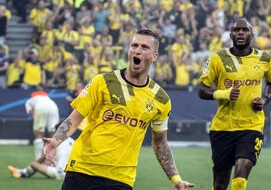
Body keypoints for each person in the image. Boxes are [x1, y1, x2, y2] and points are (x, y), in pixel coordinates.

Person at [42, 29, 194, 190]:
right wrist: (55, 142)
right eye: (134, 45)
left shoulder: (161, 99)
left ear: (154, 56)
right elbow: (75, 118)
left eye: (144, 47)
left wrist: (176, 178)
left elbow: (160, 143)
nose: (137, 50)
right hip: (82, 169)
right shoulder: (103, 81)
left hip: (121, 178)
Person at [198, 18, 271, 190]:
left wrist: (265, 99)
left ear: (252, 34)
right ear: (231, 34)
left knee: (241, 174)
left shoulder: (264, 58)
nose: (240, 33)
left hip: (252, 126)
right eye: (236, 30)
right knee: (220, 183)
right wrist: (224, 94)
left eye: (244, 29)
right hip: (223, 128)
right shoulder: (218, 58)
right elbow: (202, 90)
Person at [8, 137, 74, 180]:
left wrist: (40, 159)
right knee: (46, 162)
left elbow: (46, 156)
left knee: (35, 165)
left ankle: (22, 174)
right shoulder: (72, 141)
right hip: (71, 172)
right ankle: (22, 172)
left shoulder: (56, 141)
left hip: (61, 174)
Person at [25, 90, 59, 160]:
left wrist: (36, 117)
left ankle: (38, 159)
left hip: (40, 107)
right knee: (53, 133)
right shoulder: (48, 99)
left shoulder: (31, 100)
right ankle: (55, 157)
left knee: (38, 134)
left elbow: (29, 109)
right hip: (53, 106)